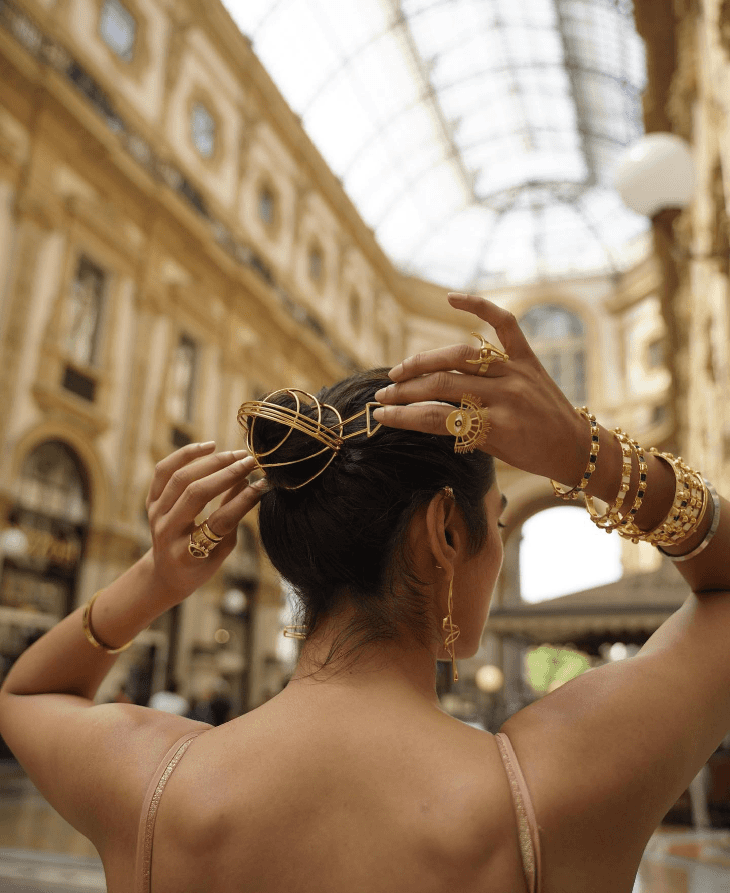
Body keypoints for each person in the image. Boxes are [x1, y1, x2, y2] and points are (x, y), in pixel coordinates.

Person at [0, 293, 727, 892]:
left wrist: (157, 578)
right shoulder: (548, 792)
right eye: (496, 521)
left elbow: (26, 695)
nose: (497, 545)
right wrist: (589, 455)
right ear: (445, 529)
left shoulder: (156, 785)